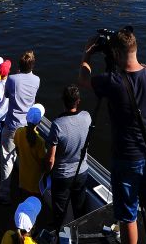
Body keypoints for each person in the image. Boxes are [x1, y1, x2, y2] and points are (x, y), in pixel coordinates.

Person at [79, 28, 146, 244]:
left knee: (128, 215)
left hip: (126, 158)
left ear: (116, 54)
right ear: (135, 50)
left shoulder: (111, 81)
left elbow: (83, 80)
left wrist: (87, 54)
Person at [46, 84, 92, 232]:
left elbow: (51, 159)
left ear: (63, 101)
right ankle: (78, 234)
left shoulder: (57, 125)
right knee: (79, 209)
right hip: (82, 172)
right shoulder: (87, 117)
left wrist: (47, 172)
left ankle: (61, 235)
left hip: (62, 176)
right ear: (78, 101)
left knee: (60, 212)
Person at [0, 49, 40, 203]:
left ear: (20, 65)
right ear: (32, 66)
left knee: (7, 160)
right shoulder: (37, 80)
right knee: (25, 159)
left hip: (12, 126)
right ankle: (25, 192)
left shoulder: (12, 79)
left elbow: (7, 96)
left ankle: (4, 194)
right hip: (28, 127)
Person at [13, 105, 47, 199]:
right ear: (39, 122)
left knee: (23, 198)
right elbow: (42, 162)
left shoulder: (19, 132)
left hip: (23, 175)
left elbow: (18, 151)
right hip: (35, 179)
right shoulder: (40, 141)